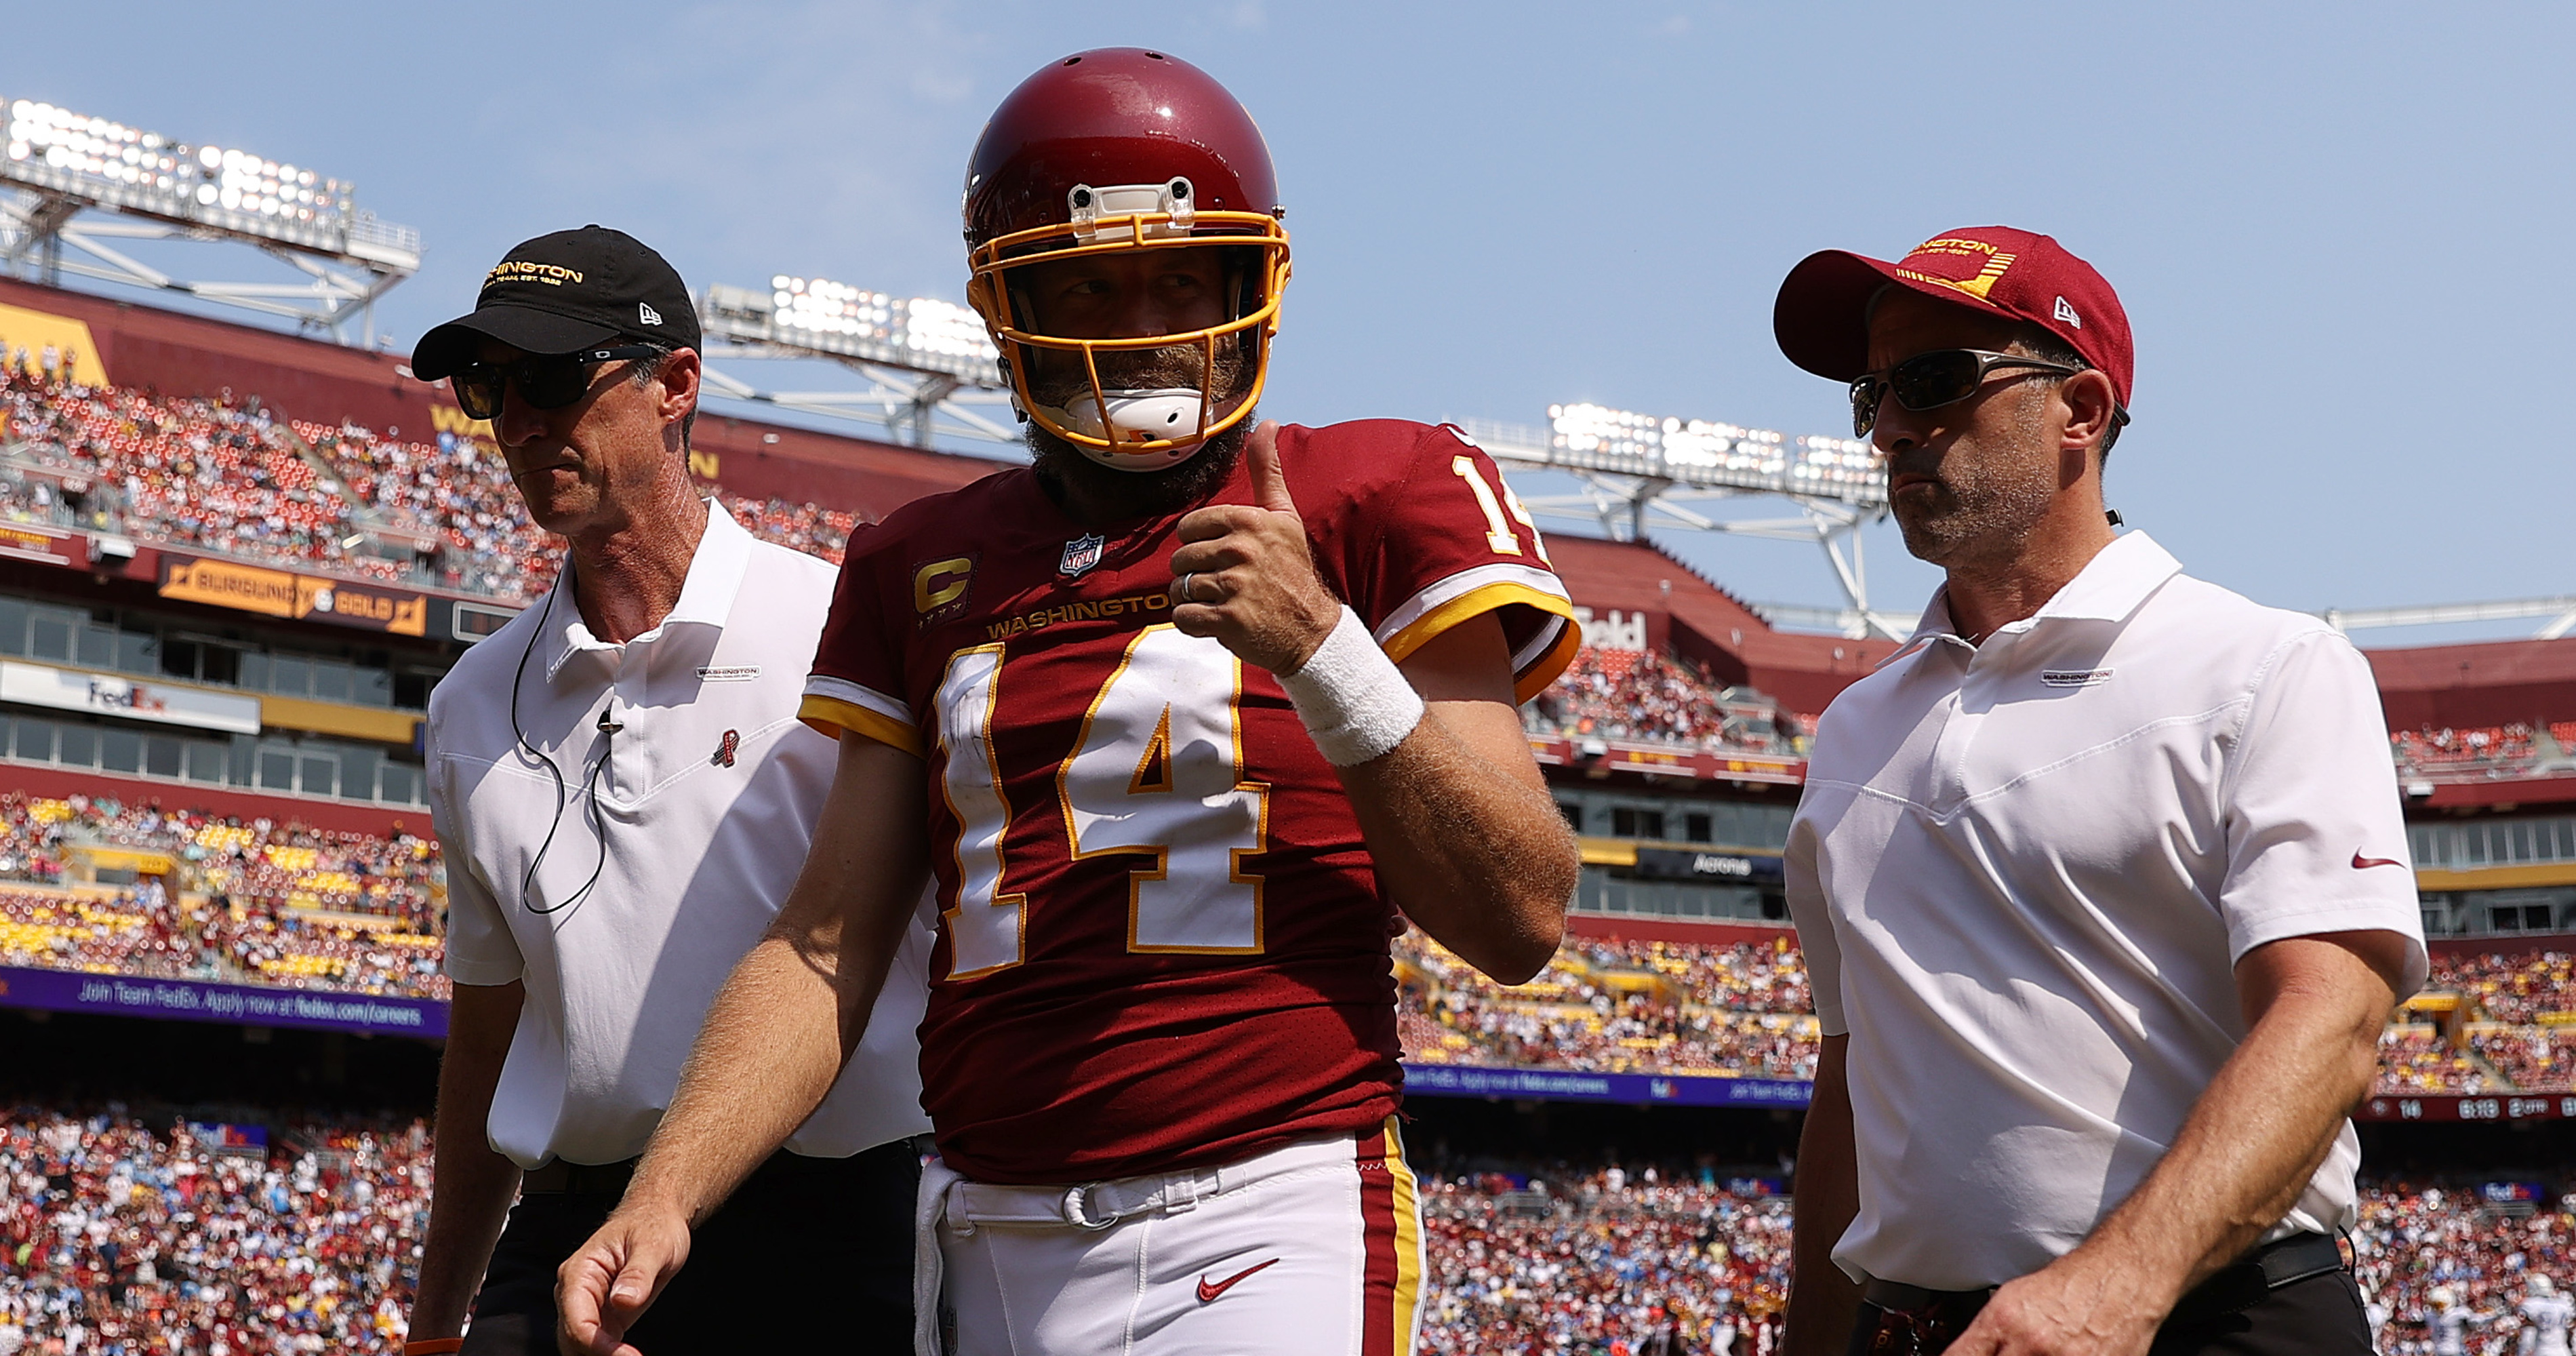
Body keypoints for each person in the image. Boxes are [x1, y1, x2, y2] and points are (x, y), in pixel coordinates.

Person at [556, 48, 1583, 1356]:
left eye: (1176, 277)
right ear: (1007, 306)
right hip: (980, 1226)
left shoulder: (1369, 493)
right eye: (1088, 282)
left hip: (1264, 1203)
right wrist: (665, 1192)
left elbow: (1520, 911)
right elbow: (826, 944)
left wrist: (1324, 648)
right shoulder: (915, 563)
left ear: (1249, 281)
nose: (1141, 320)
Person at [1770, 227, 2426, 1356]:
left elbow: (2334, 1017)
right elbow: (1855, 1075)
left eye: (1936, 380)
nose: (1891, 428)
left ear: (2080, 409)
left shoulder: (2263, 666)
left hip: (2214, 1317)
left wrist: (2117, 1284)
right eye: (1873, 395)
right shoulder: (1854, 731)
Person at [397, 226, 933, 1355]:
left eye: (550, 377)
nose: (519, 420)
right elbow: (489, 1031)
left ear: (676, 385)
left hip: (840, 1235)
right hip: (569, 1225)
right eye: (490, 386)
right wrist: (435, 1323)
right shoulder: (469, 704)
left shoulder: (840, 628)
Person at [2523, 1275, 2573, 1356]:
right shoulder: (2563, 1304)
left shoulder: (2533, 1303)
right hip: (2563, 1350)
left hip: (2543, 1350)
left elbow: (2522, 1318)